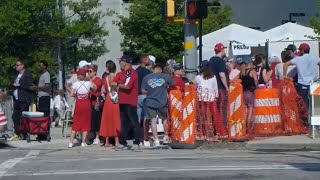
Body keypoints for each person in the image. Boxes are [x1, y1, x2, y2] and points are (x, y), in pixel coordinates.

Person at [112, 55, 141, 151]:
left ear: (125, 62)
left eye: (120, 61)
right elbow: (113, 83)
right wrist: (114, 93)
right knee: (123, 123)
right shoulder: (120, 73)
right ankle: (123, 143)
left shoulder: (131, 72)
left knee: (133, 122)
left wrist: (118, 85)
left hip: (130, 101)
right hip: (121, 101)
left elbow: (127, 86)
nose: (119, 63)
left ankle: (136, 142)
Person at [141, 64, 175, 146]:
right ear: (161, 70)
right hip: (162, 101)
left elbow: (143, 91)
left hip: (150, 101)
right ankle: (165, 136)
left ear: (153, 69)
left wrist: (150, 91)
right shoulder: (165, 76)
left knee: (153, 120)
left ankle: (156, 140)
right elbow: (173, 84)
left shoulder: (146, 77)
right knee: (165, 119)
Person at [66, 69, 96, 148]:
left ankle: (71, 142)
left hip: (78, 104)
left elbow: (72, 94)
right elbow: (95, 88)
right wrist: (89, 80)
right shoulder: (89, 83)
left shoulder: (75, 84)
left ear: (78, 76)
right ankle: (83, 142)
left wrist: (76, 93)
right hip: (86, 104)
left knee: (76, 122)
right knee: (85, 123)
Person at [195, 61, 225, 139]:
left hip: (201, 99)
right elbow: (215, 87)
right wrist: (216, 96)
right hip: (211, 98)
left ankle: (203, 133)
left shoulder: (197, 77)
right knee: (216, 116)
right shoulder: (213, 76)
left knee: (203, 116)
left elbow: (196, 87)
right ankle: (220, 132)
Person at [10, 59, 34, 141]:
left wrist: (20, 85)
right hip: (16, 99)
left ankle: (25, 133)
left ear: (22, 65)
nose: (16, 67)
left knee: (23, 117)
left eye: (17, 65)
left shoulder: (27, 74)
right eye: (16, 65)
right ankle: (17, 133)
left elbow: (30, 86)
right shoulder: (17, 75)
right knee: (15, 116)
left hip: (24, 99)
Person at [100, 60, 121, 149]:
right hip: (115, 99)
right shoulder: (117, 77)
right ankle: (116, 141)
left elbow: (103, 90)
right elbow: (118, 88)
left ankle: (106, 141)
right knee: (115, 119)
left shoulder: (105, 79)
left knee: (106, 120)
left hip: (108, 99)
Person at [209, 43, 229, 128]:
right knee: (222, 109)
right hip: (221, 88)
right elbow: (222, 75)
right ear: (222, 50)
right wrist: (227, 88)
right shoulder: (220, 61)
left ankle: (215, 127)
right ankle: (222, 128)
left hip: (212, 88)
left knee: (215, 108)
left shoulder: (211, 60)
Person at [135, 54, 152, 146]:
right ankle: (145, 138)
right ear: (144, 60)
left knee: (137, 119)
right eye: (148, 58)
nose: (149, 60)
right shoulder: (148, 72)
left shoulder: (136, 71)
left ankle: (137, 139)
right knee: (146, 118)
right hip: (145, 95)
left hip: (137, 97)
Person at [239, 57, 258, 131]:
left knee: (245, 112)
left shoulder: (241, 72)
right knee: (250, 111)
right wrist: (256, 87)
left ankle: (243, 128)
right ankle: (249, 128)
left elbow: (235, 79)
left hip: (243, 93)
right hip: (250, 92)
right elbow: (255, 80)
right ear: (250, 63)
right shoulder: (252, 71)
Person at [88, 64, 102, 145]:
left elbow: (96, 88)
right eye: (88, 71)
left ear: (95, 72)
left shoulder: (98, 80)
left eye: (90, 71)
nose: (89, 73)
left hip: (95, 103)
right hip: (88, 103)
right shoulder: (88, 80)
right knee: (90, 121)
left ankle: (97, 137)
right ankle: (91, 136)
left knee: (96, 120)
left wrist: (90, 80)